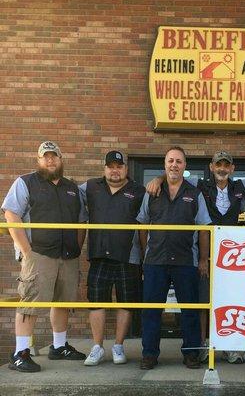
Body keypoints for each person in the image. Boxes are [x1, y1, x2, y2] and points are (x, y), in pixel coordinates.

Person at [146, 151, 245, 364]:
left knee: (233, 301)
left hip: (235, 257)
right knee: (202, 301)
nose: (222, 169)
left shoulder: (242, 187)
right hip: (205, 255)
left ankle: (232, 345)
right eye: (218, 165)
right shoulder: (198, 185)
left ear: (232, 169)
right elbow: (174, 174)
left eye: (226, 165)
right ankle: (200, 347)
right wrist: (158, 178)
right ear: (211, 167)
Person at [1, 141, 86, 373]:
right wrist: (27, 252)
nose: (50, 160)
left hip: (67, 256)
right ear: (38, 160)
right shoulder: (25, 182)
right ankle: (20, 353)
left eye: (54, 156)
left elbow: (81, 221)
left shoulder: (73, 188)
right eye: (45, 156)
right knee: (30, 302)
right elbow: (11, 215)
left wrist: (76, 249)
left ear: (61, 159)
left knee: (62, 302)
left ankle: (58, 347)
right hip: (38, 254)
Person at [137, 146, 212, 370]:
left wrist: (203, 260)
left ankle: (191, 354)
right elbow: (142, 224)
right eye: (171, 161)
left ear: (185, 166)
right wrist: (145, 256)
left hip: (185, 260)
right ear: (165, 164)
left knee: (189, 310)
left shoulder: (195, 193)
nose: (174, 165)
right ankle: (149, 354)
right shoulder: (151, 192)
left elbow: (204, 229)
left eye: (179, 161)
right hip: (155, 261)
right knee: (151, 310)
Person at [79, 151, 145, 366]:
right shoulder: (89, 187)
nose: (115, 170)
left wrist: (160, 178)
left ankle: (118, 346)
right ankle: (97, 347)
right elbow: (64, 193)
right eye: (111, 166)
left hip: (129, 256)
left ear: (126, 168)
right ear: (104, 168)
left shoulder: (139, 190)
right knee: (96, 301)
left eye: (119, 166)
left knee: (126, 303)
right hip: (99, 254)